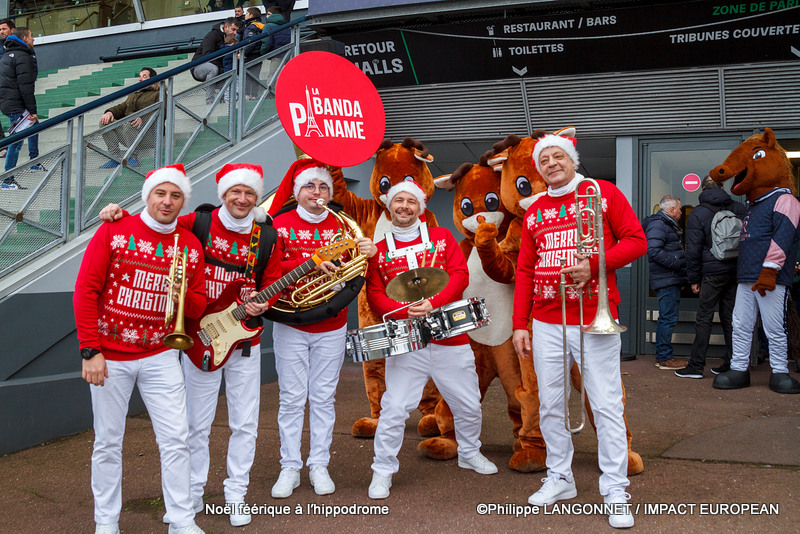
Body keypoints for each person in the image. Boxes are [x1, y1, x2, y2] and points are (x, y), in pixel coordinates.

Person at [98, 163, 281, 527]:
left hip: (244, 340)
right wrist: (118, 213)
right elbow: (156, 220)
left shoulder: (268, 237)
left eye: (249, 194)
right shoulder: (196, 224)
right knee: (194, 425)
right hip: (200, 339)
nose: (242, 199)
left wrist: (266, 302)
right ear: (223, 195)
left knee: (245, 425)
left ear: (257, 199)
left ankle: (236, 494)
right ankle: (193, 493)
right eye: (235, 192)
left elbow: (273, 279)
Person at [512, 134, 646, 529]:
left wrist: (596, 264)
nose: (552, 163)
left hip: (594, 316)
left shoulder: (601, 192)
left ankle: (615, 487)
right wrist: (520, 323)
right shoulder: (534, 211)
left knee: (605, 404)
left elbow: (636, 241)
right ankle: (560, 477)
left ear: (573, 160)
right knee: (550, 404)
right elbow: (524, 271)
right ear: (539, 170)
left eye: (559, 156)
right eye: (544, 160)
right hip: (546, 320)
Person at [73, 164, 207, 534]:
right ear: (147, 195)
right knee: (108, 442)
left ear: (183, 202)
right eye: (160, 193)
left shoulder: (191, 245)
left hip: (161, 354)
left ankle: (181, 519)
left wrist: (180, 296)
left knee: (176, 439)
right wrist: (90, 350)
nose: (167, 201)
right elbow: (85, 291)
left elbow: (199, 304)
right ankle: (106, 521)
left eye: (175, 195)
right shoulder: (115, 230)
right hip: (109, 356)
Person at [365, 180, 498, 500]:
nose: (405, 206)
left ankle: (469, 452)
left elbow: (460, 275)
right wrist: (402, 311)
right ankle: (382, 470)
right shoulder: (377, 250)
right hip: (408, 341)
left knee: (468, 404)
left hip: (450, 338)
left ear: (420, 207)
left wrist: (433, 303)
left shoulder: (441, 238)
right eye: (399, 201)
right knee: (395, 406)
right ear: (390, 205)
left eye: (411, 201)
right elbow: (374, 294)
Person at [267, 158, 377, 498]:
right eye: (310, 186)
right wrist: (308, 264)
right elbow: (266, 268)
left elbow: (355, 267)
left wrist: (369, 251)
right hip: (291, 321)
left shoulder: (343, 224)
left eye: (324, 187)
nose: (317, 192)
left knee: (324, 398)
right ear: (298, 192)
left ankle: (319, 464)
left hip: (331, 322)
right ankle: (289, 466)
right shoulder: (279, 223)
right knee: (290, 399)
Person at [675, 177, 745, 379]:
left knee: (704, 317)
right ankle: (733, 363)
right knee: (730, 318)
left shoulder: (698, 213)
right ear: (722, 188)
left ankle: (696, 366)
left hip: (712, 272)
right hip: (735, 270)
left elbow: (694, 250)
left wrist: (693, 279)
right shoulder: (739, 208)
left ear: (703, 189)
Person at [643, 195, 688, 370]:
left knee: (668, 317)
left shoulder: (665, 223)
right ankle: (664, 357)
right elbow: (653, 250)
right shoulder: (659, 224)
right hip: (666, 278)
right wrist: (677, 263)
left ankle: (664, 355)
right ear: (672, 210)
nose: (681, 212)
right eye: (679, 208)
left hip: (670, 278)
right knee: (667, 318)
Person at [0, 27, 40, 190]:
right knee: (15, 143)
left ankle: (34, 162)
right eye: (31, 36)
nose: (33, 39)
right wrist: (32, 110)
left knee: (35, 126)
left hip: (9, 102)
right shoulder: (23, 56)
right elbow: (26, 86)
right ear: (24, 38)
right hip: (17, 104)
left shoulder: (6, 55)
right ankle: (7, 180)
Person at [98, 67, 161, 169]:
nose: (140, 79)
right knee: (105, 122)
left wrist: (142, 118)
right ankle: (115, 158)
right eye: (139, 76)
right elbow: (122, 107)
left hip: (149, 135)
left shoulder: (159, 93)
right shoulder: (134, 94)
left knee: (130, 124)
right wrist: (109, 112)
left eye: (144, 76)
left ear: (152, 79)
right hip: (130, 133)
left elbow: (163, 112)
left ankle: (133, 157)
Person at [191, 17, 240, 105]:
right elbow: (207, 55)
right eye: (233, 29)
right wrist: (222, 68)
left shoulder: (229, 38)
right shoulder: (212, 35)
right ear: (225, 27)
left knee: (230, 72)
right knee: (213, 69)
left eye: (236, 30)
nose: (235, 33)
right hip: (198, 66)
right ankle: (210, 101)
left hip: (216, 66)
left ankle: (225, 100)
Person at [241, 6, 264, 100]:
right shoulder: (261, 25)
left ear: (251, 15)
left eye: (246, 13)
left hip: (251, 54)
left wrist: (243, 53)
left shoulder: (251, 27)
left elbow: (250, 43)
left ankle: (247, 95)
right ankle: (254, 95)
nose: (245, 15)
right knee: (255, 75)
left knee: (247, 75)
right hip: (258, 54)